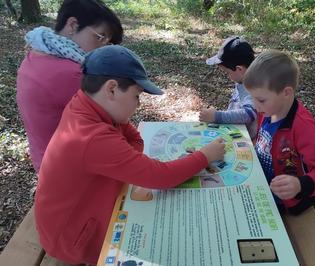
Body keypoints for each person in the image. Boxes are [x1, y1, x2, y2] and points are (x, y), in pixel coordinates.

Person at [34, 45, 226, 265]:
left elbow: (134, 140)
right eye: (136, 96)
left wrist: (125, 161)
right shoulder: (92, 136)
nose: (138, 104)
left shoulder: (85, 104)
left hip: (70, 220)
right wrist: (205, 156)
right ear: (112, 89)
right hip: (72, 238)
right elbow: (160, 177)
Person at [16, 0, 123, 172]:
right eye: (100, 37)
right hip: (69, 170)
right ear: (73, 25)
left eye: (107, 42)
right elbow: (113, 122)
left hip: (44, 159)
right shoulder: (72, 74)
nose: (103, 48)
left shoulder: (36, 54)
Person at [243, 50, 315, 215]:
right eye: (252, 98)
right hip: (262, 181)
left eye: (261, 100)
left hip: (288, 197)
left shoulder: (303, 127)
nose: (255, 105)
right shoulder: (267, 111)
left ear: (286, 93)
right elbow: (266, 142)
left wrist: (299, 185)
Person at [199, 36, 258, 140]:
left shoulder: (252, 87)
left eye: (227, 73)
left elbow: (248, 114)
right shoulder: (241, 80)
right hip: (235, 132)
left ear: (239, 69)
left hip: (246, 141)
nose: (227, 76)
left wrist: (217, 116)